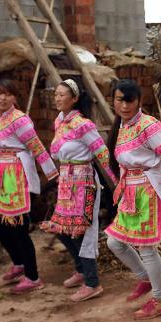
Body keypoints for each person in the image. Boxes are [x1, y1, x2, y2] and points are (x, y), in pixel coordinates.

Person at [104, 79, 161, 319]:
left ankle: (160, 300)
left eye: (130, 100)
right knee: (114, 242)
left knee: (147, 249)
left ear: (139, 101)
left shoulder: (149, 125)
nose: (125, 105)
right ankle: (145, 277)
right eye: (119, 100)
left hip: (148, 191)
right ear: (113, 101)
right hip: (130, 192)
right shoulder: (123, 126)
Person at [40, 79, 117, 302]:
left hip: (84, 181)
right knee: (62, 229)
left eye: (62, 95)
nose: (57, 98)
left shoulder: (84, 125)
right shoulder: (59, 122)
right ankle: (81, 269)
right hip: (66, 181)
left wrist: (117, 183)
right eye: (56, 94)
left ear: (74, 99)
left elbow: (102, 154)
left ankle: (92, 283)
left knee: (83, 231)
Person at [0, 78, 58, 294]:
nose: (2, 97)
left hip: (17, 176)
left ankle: (33, 276)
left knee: (18, 227)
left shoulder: (20, 120)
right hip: (3, 177)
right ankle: (18, 263)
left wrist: (53, 175)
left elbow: (36, 147)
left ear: (15, 98)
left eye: (7, 94)